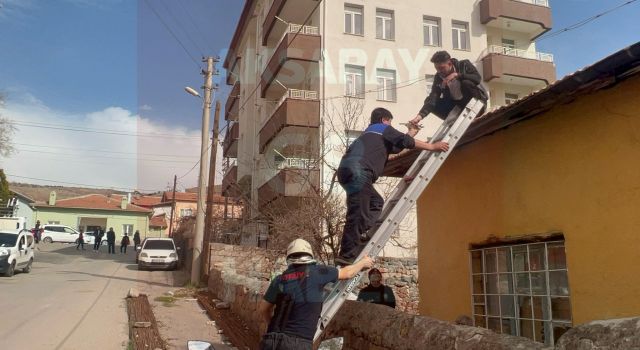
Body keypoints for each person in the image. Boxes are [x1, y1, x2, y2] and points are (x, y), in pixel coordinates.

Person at [335, 108, 449, 266]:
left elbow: (397, 146)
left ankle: (360, 233)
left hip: (349, 172)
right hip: (358, 172)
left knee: (375, 203)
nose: (391, 125)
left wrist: (411, 132)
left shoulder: (370, 134)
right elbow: (406, 142)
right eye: (390, 122)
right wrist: (432, 146)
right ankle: (346, 256)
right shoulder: (381, 128)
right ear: (383, 120)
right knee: (357, 212)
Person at [258, 239, 374, 350]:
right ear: (309, 255)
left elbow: (263, 309)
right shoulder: (318, 272)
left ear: (289, 257)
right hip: (298, 343)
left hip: (270, 341)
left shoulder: (279, 279)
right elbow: (348, 273)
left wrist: (273, 329)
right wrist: (363, 262)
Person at [409, 50, 487, 126]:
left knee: (466, 82)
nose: (439, 71)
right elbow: (433, 97)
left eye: (441, 68)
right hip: (458, 106)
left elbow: (477, 78)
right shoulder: (438, 77)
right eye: (437, 68)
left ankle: (476, 110)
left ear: (449, 64)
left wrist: (457, 75)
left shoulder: (464, 64)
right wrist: (419, 116)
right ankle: (452, 121)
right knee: (429, 100)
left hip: (476, 102)